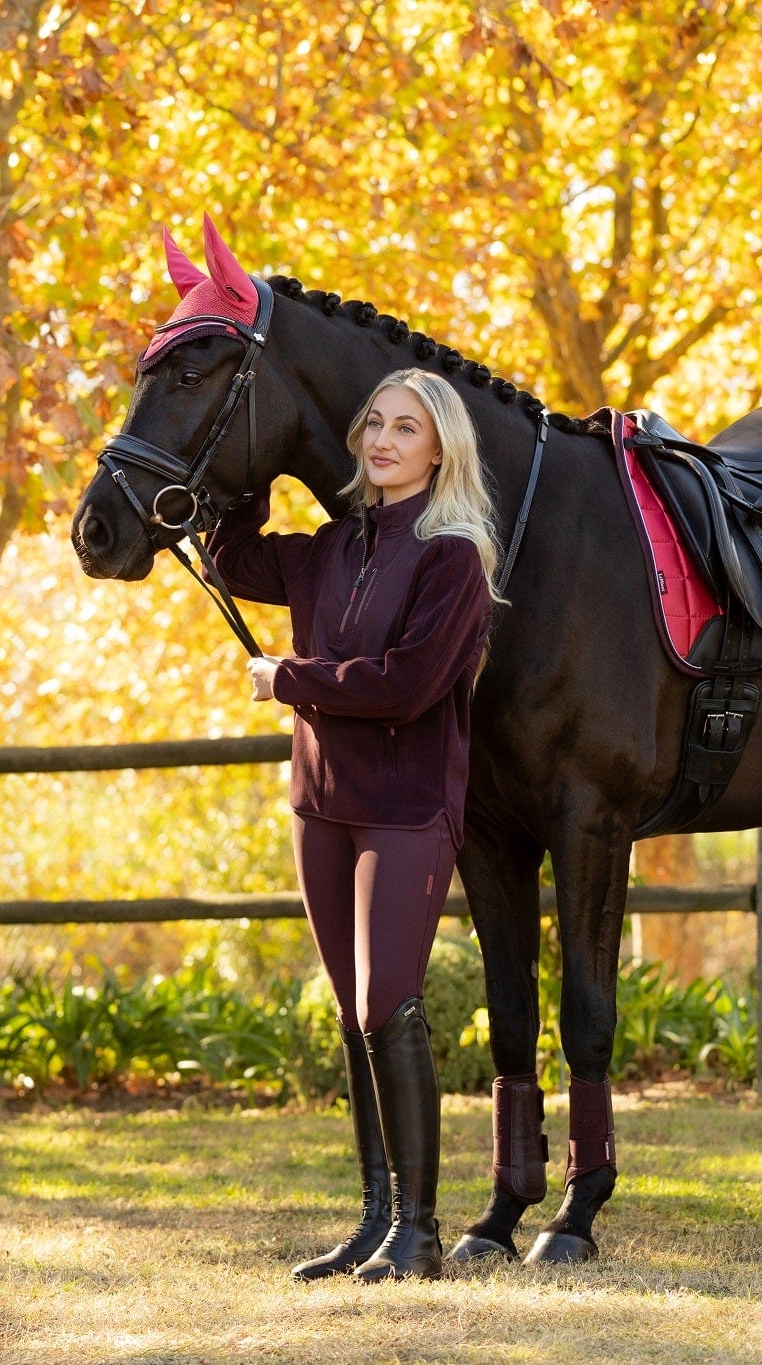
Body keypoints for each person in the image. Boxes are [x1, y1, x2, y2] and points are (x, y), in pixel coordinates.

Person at [209, 367, 500, 1283]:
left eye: (406, 428)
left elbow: (405, 686)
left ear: (440, 449)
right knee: (352, 1013)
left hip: (407, 810)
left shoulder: (453, 559)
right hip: (321, 805)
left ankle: (419, 1232)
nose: (383, 440)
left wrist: (287, 678)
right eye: (375, 422)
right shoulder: (333, 546)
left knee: (387, 1005)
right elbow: (229, 560)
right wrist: (253, 463)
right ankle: (374, 1220)